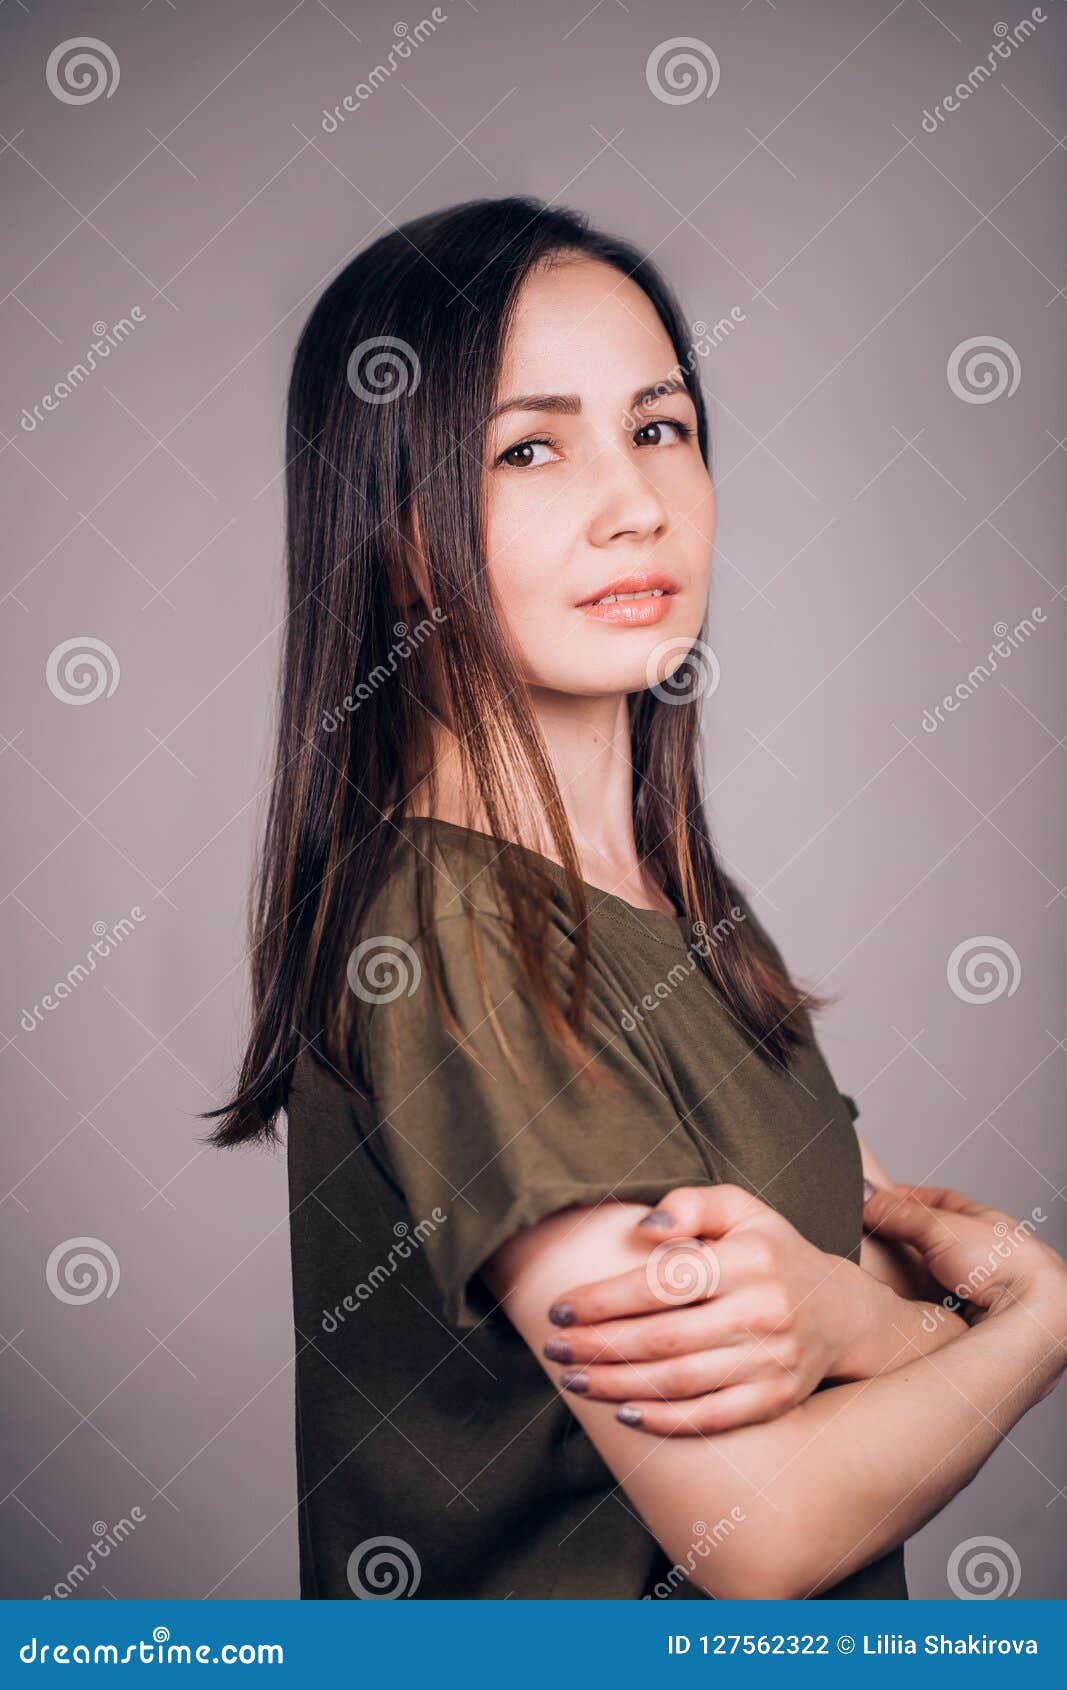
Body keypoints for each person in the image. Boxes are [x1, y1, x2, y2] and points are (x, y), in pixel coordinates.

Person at [206, 195, 1067, 1601]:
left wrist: (857, 1311)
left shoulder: (694, 913)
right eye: (532, 447)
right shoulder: (449, 930)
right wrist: (1033, 1321)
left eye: (659, 427)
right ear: (396, 519)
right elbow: (760, 1525)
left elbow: (870, 1276)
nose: (636, 501)